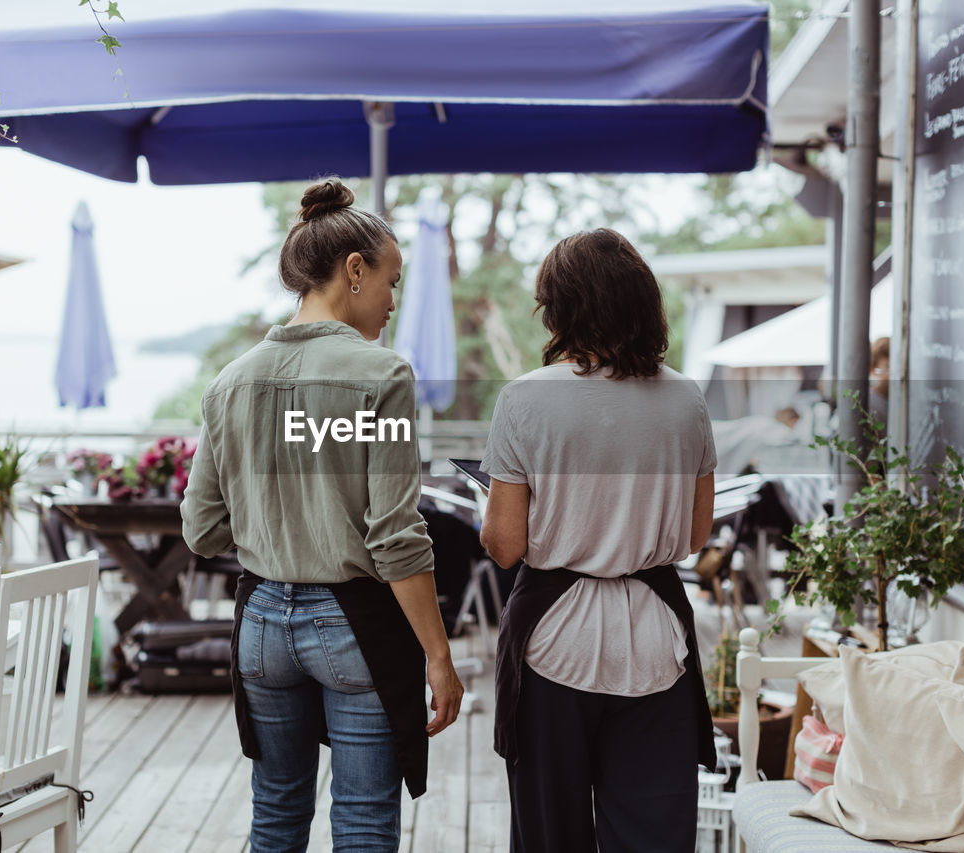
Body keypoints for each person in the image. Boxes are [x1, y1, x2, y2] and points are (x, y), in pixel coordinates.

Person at [180, 178, 464, 853]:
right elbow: (395, 536)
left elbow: (201, 529)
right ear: (355, 270)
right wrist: (439, 655)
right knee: (363, 822)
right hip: (353, 627)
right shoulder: (383, 375)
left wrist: (276, 524)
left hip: (259, 631)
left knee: (275, 819)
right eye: (392, 280)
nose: (393, 302)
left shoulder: (230, 381)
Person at [479, 228, 718, 853]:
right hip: (656, 641)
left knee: (549, 836)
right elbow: (694, 535)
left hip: (553, 640)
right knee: (653, 836)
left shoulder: (524, 399)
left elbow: (505, 546)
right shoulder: (687, 399)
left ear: (560, 308)